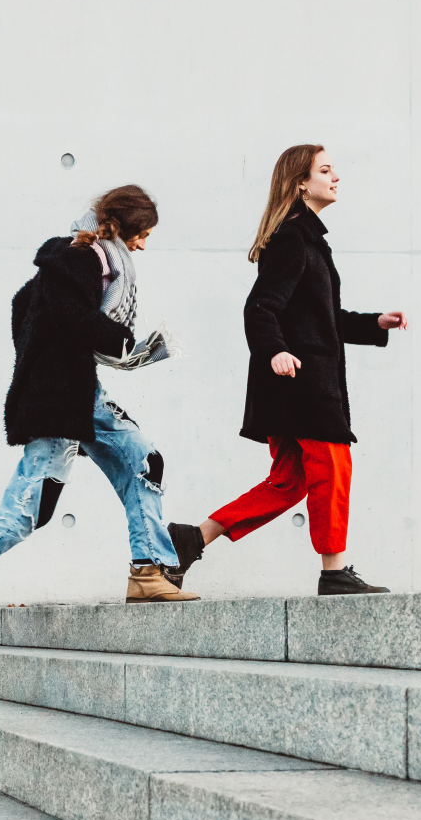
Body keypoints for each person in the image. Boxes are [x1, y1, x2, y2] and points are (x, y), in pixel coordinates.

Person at [0, 185, 208, 644]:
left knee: (143, 460)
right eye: (142, 234)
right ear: (125, 226)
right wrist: (120, 343)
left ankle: (148, 571)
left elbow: (23, 306)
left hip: (75, 392)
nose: (143, 245)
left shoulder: (74, 261)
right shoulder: (83, 259)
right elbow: (69, 314)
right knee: (29, 508)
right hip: (60, 400)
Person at [170, 145, 408, 596]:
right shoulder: (292, 239)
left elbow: (322, 318)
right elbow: (260, 307)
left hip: (294, 384)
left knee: (289, 482)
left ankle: (195, 536)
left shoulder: (306, 240)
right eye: (325, 169)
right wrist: (275, 351)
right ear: (301, 183)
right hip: (301, 384)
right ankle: (334, 572)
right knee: (332, 468)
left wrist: (375, 323)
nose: (336, 176)